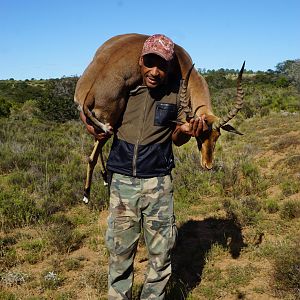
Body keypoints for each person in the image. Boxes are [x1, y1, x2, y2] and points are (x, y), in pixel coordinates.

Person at [80, 34, 207, 300]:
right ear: (140, 62)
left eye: (161, 65)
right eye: (149, 63)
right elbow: (97, 117)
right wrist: (94, 127)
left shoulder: (176, 94)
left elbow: (177, 139)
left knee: (160, 257)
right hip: (123, 183)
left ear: (169, 66)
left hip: (159, 184)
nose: (154, 71)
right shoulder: (125, 91)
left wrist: (186, 131)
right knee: (120, 254)